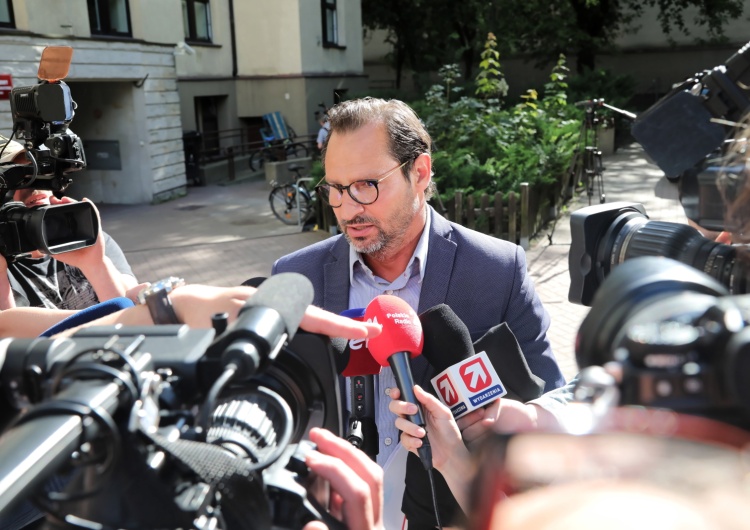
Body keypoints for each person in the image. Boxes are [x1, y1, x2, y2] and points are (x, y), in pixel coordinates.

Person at [272, 97, 566, 527]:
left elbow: (552, 403)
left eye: (366, 184)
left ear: (420, 173)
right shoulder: (296, 278)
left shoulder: (497, 270)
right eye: (335, 188)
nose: (348, 207)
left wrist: (503, 419)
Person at [0, 140, 141, 311]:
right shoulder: (4, 268)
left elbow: (130, 308)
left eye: (35, 172)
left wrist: (95, 264)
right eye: (15, 180)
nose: (31, 185)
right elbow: (7, 327)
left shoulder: (86, 238)